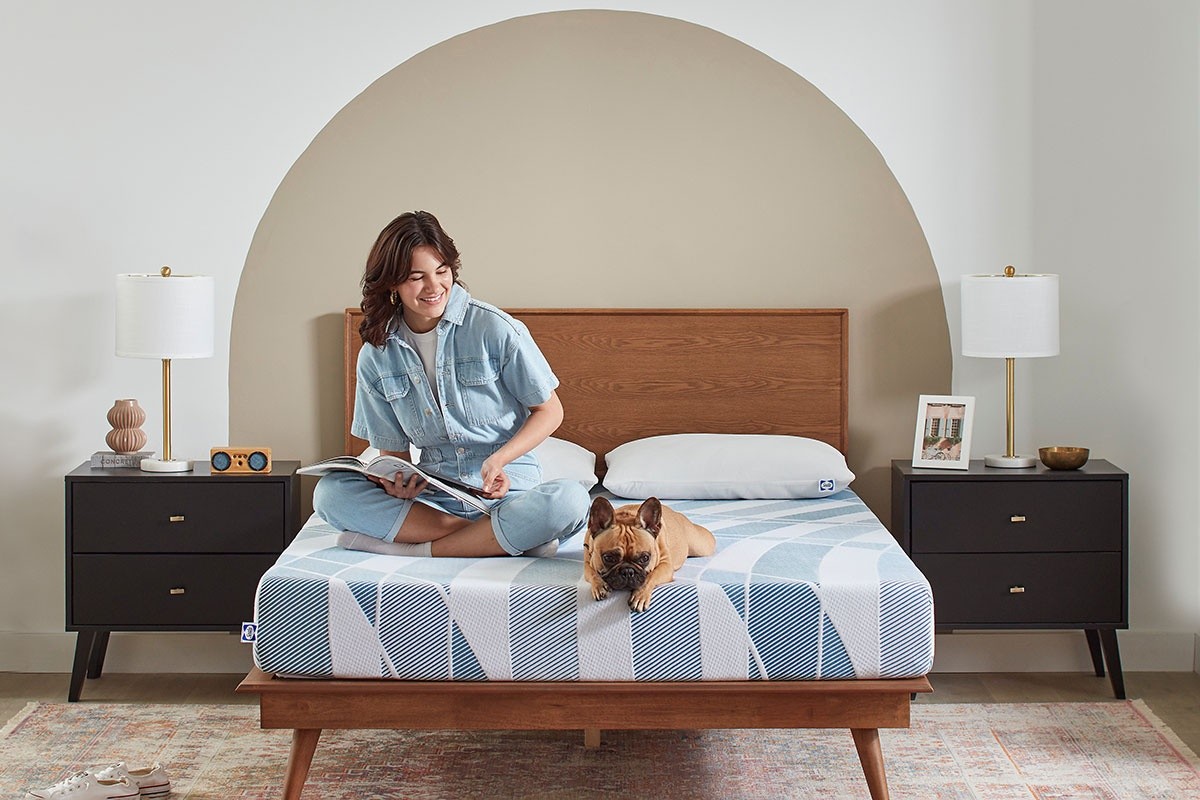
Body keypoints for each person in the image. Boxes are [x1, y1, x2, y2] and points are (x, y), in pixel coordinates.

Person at [313, 210, 590, 557]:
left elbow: (550, 410)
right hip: (435, 498)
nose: (434, 287)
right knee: (330, 493)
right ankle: (497, 540)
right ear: (392, 283)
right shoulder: (376, 354)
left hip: (508, 493)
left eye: (442, 272)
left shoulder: (494, 328)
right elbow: (394, 454)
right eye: (417, 277)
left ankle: (419, 550)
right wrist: (399, 483)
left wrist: (500, 460)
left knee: (570, 501)